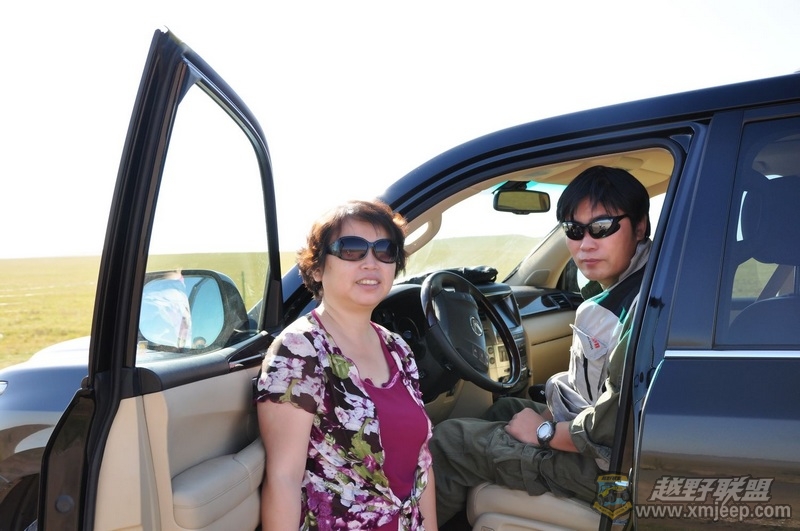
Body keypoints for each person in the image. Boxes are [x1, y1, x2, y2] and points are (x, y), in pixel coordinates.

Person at [430, 165, 652, 525]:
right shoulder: (647, 282)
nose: (586, 243)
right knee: (503, 409)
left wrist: (543, 432)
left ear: (640, 227)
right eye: (574, 230)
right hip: (619, 453)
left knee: (448, 441)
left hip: (616, 479)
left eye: (602, 227)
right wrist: (548, 417)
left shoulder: (641, 309)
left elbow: (609, 433)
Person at [256, 199, 438, 530]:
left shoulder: (397, 348)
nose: (371, 262)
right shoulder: (299, 350)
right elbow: (284, 479)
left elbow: (422, 466)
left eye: (385, 251)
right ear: (316, 269)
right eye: (352, 249)